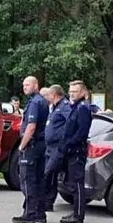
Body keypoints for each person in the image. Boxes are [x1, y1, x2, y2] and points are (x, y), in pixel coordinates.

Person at [13, 76, 49, 223]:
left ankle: (30, 213)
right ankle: (40, 213)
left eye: (27, 85)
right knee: (39, 179)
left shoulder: (35, 102)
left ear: (36, 85)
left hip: (32, 145)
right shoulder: (43, 101)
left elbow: (31, 126)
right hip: (41, 145)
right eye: (23, 85)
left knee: (28, 179)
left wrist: (22, 145)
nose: (25, 87)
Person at [60, 81, 94, 223]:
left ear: (82, 92)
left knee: (77, 183)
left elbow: (82, 132)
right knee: (72, 182)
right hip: (71, 150)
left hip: (77, 151)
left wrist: (69, 143)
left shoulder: (83, 109)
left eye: (75, 91)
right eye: (71, 91)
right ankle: (75, 211)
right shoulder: (74, 107)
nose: (72, 93)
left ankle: (78, 215)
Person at [41, 85, 72, 213]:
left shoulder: (64, 106)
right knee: (49, 175)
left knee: (48, 173)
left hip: (57, 147)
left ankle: (47, 201)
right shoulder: (54, 107)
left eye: (48, 95)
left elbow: (71, 121)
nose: (46, 98)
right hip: (49, 147)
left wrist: (63, 137)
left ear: (54, 94)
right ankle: (47, 203)